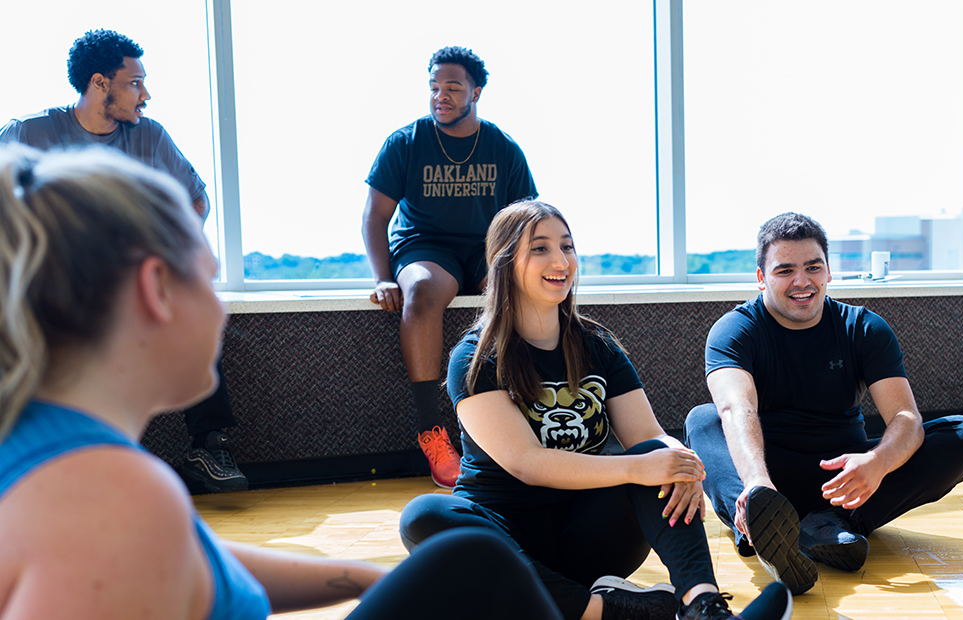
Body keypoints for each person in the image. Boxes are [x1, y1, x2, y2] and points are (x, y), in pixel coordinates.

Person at [0, 145, 567, 620]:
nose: (222, 313)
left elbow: (191, 558)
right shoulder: (112, 499)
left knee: (467, 559)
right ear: (157, 290)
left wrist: (362, 578)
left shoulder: (54, 453)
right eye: (210, 279)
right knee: (480, 563)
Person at [396, 201, 793, 620]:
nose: (560, 260)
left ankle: (703, 606)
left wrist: (681, 460)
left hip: (587, 537)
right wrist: (636, 467)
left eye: (567, 247)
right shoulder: (476, 357)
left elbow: (648, 435)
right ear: (504, 263)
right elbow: (526, 463)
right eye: (541, 249)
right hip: (504, 537)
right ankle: (610, 610)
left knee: (659, 460)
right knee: (424, 515)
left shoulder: (597, 346)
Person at [685, 212, 963, 594]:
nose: (802, 281)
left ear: (829, 272)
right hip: (766, 476)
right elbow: (736, 408)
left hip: (847, 482)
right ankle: (759, 525)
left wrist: (878, 463)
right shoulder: (735, 329)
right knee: (702, 420)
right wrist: (757, 481)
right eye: (785, 271)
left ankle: (831, 523)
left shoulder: (863, 327)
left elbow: (905, 417)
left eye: (813, 267)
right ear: (761, 278)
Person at [0, 28, 247, 493]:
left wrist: (169, 255)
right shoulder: (30, 133)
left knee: (186, 308)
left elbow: (195, 201)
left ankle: (208, 446)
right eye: (135, 83)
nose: (145, 95)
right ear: (99, 84)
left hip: (120, 281)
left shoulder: (148, 137)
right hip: (50, 280)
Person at [362, 45, 538, 489]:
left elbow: (525, 219)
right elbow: (375, 216)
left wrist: (508, 269)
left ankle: (528, 420)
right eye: (435, 88)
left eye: (453, 88)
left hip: (485, 246)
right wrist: (383, 277)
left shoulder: (502, 147)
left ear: (476, 92)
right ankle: (432, 433)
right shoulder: (405, 142)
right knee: (420, 289)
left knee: (520, 289)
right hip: (425, 245)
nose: (441, 96)